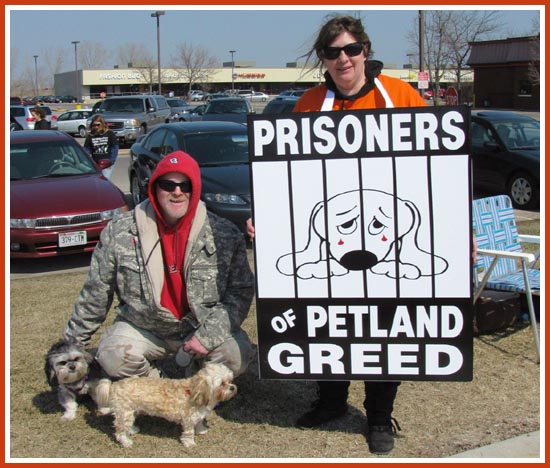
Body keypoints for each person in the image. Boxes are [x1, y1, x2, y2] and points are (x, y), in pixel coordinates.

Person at [247, 15, 426, 455]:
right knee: (327, 321)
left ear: (365, 49)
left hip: (385, 241)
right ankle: (331, 402)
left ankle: (379, 417)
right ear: (323, 59)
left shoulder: (401, 96)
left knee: (384, 330)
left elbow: (433, 172)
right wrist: (267, 217)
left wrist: (455, 231)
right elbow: (288, 179)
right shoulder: (308, 104)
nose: (343, 59)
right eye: (332, 52)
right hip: (334, 242)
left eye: (350, 49)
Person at [63, 150, 255, 381]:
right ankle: (158, 385)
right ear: (154, 187)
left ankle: (198, 379)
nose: (177, 192)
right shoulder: (120, 231)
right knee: (112, 357)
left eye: (186, 186)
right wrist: (71, 347)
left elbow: (240, 292)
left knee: (237, 356)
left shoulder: (223, 233)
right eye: (168, 184)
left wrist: (207, 336)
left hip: (200, 325)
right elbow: (96, 292)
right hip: (144, 327)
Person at [83, 115, 119, 180]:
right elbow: (86, 150)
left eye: (98, 125)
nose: (96, 127)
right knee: (96, 182)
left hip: (107, 163)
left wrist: (111, 162)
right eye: (94, 125)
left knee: (105, 180)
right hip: (95, 164)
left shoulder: (110, 134)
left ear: (102, 124)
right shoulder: (90, 136)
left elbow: (115, 148)